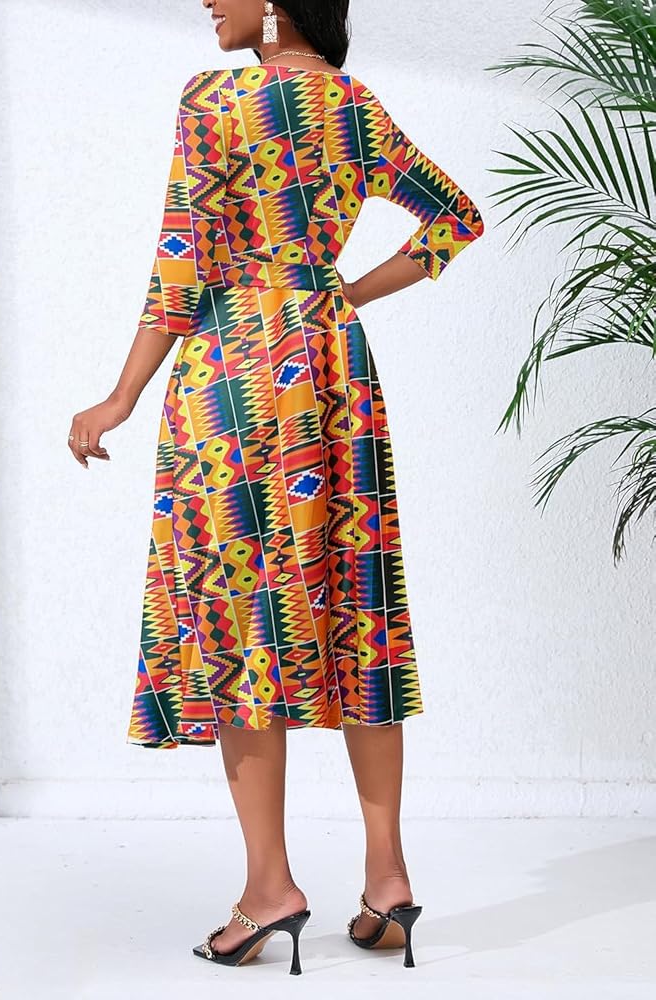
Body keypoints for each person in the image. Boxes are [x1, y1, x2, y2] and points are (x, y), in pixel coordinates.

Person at [67, 0, 484, 976]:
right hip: (335, 371)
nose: (208, 1)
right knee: (358, 607)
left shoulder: (215, 100)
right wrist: (344, 292)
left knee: (246, 617)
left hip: (234, 374)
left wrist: (120, 395)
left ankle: (269, 890)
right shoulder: (356, 106)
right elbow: (456, 217)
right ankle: (388, 881)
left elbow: (181, 267)